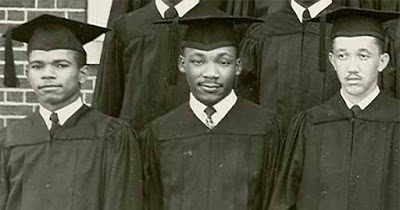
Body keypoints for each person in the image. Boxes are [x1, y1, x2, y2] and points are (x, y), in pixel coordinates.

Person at [140, 9, 281, 210]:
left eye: (223, 62)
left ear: (238, 66)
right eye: (198, 61)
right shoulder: (160, 132)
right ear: (182, 64)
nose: (210, 73)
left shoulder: (266, 127)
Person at [0, 15, 142, 210]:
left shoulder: (113, 135)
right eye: (37, 66)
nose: (47, 74)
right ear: (27, 74)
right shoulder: (10, 139)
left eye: (61, 65)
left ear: (82, 74)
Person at [269, 8, 400, 210]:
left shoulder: (396, 121)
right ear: (332, 61)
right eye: (342, 56)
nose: (352, 68)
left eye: (363, 56)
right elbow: (284, 202)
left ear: (382, 62)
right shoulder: (310, 124)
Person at [92, 0, 219, 131]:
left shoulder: (218, 23)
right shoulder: (126, 27)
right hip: (137, 142)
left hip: (199, 141)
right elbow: (108, 100)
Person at [239, 0, 342, 131]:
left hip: (332, 142)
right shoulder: (263, 30)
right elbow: (244, 96)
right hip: (273, 144)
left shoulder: (350, 27)